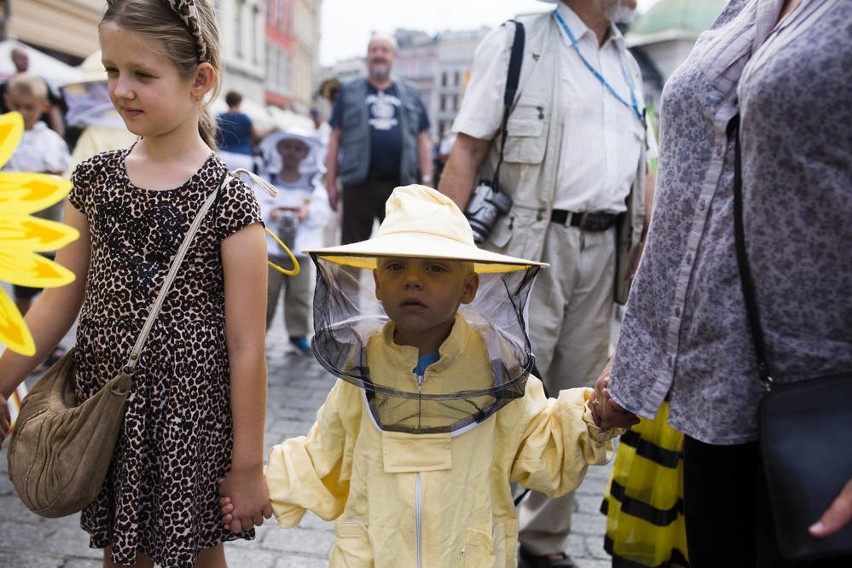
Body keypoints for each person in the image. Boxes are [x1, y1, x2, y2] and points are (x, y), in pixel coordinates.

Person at [219, 185, 638, 566]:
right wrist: (257, 485)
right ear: (377, 285)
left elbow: (542, 444)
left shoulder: (498, 367)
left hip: (469, 553)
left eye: (436, 268)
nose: (413, 281)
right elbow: (323, 453)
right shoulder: (360, 368)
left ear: (469, 288)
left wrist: (594, 420)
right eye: (397, 266)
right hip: (372, 552)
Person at [0, 1, 271, 566]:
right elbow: (57, 298)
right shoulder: (94, 179)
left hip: (190, 419)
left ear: (200, 80)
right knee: (123, 554)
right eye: (112, 71)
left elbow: (248, 347)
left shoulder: (230, 197)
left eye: (142, 75)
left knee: (198, 552)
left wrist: (248, 466)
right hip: (108, 408)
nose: (121, 89)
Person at [601, 0, 852, 566]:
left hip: (828, 402)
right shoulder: (745, 8)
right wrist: (640, 352)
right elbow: (693, 191)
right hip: (720, 388)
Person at [438, 1, 653, 565]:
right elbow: (467, 147)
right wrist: (438, 258)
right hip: (527, 249)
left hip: (606, 250)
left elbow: (640, 166)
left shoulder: (628, 62)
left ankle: (542, 539)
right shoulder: (516, 41)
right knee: (503, 395)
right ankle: (477, 538)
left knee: (581, 400)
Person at [324, 33, 434, 245]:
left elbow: (422, 138)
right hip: (358, 182)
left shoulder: (410, 92)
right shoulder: (348, 91)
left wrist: (427, 181)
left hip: (400, 184)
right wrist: (330, 183)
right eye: (374, 50)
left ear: (394, 56)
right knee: (351, 250)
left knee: (398, 248)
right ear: (367, 56)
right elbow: (335, 138)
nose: (378, 55)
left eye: (384, 50)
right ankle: (350, 280)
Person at [256, 128, 331, 355]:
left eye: (297, 148)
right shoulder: (266, 182)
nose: (291, 152)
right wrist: (271, 213)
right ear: (278, 150)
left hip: (300, 251)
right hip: (270, 253)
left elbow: (323, 213)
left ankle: (298, 335)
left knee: (299, 295)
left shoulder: (314, 187)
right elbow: (254, 205)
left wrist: (307, 212)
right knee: (265, 295)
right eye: (287, 147)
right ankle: (258, 335)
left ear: (306, 153)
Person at [3, 73, 71, 317]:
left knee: (46, 285)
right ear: (7, 101)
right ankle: (22, 326)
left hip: (46, 220)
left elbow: (64, 175)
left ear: (43, 107)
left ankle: (43, 333)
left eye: (29, 107)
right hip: (15, 224)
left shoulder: (52, 141)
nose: (22, 112)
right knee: (22, 286)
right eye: (16, 105)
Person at [0, 45, 66, 137]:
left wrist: (58, 135)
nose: (23, 112)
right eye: (21, 58)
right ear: (13, 59)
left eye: (26, 58)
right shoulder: (4, 86)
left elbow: (54, 110)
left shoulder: (41, 84)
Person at [216, 89, 260, 172]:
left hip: (223, 154)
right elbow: (256, 135)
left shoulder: (220, 117)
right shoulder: (244, 117)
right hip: (243, 156)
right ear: (239, 102)